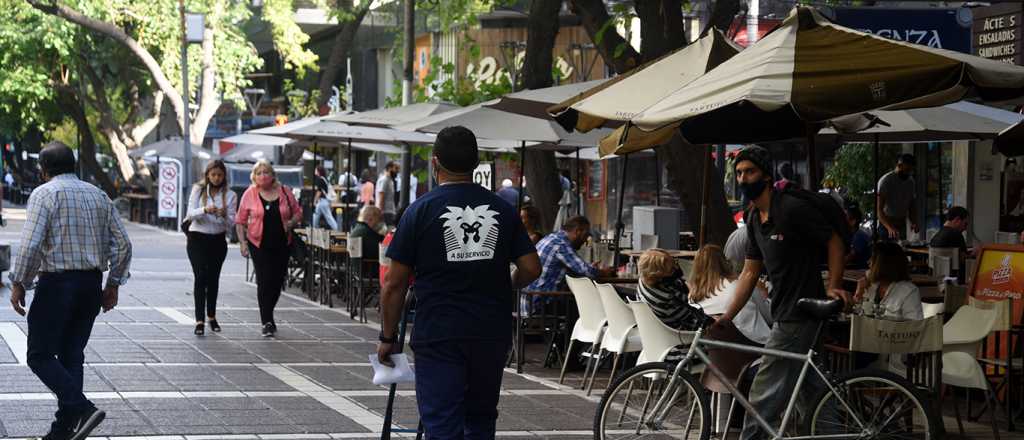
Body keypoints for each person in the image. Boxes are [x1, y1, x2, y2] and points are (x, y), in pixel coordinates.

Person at [376, 126, 541, 439]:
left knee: (441, 424)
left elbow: (393, 284)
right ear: (475, 164)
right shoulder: (504, 210)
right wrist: (510, 283)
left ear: (435, 163)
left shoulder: (419, 211)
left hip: (439, 333)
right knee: (480, 420)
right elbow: (532, 267)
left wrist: (387, 336)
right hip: (490, 333)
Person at [718, 145, 849, 440]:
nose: (743, 179)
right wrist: (727, 316)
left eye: (749, 172)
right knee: (811, 390)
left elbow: (834, 241)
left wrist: (834, 285)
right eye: (739, 173)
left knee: (763, 392)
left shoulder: (789, 209)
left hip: (800, 311)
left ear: (765, 174)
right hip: (784, 310)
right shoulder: (753, 219)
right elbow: (750, 272)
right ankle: (835, 434)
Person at [9, 141, 132, 440]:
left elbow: (31, 244)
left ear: (44, 169)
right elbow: (124, 244)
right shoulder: (99, 195)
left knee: (39, 355)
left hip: (57, 284)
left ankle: (81, 408)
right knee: (71, 354)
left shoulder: (44, 194)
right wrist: (113, 283)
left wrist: (19, 282)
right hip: (90, 285)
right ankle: (64, 429)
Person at [235, 159, 302, 338]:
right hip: (259, 244)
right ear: (254, 177)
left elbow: (298, 212)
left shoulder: (285, 192)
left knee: (278, 281)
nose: (263, 176)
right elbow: (240, 221)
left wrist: (291, 222)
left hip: (282, 243)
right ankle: (267, 321)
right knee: (264, 281)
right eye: (259, 173)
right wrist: (242, 242)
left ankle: (268, 312)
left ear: (273, 175)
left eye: (266, 172)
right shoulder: (249, 194)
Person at [185, 160, 237, 336]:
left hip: (217, 240)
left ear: (224, 176)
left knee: (213, 279)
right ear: (207, 175)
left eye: (220, 175)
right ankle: (199, 320)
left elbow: (232, 224)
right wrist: (204, 210)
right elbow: (190, 214)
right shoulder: (198, 190)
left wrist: (224, 215)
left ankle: (211, 316)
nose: (216, 178)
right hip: (197, 238)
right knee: (200, 277)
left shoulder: (230, 195)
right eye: (213, 174)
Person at [688, 245, 771, 345]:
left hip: (716, 350)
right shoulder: (743, 287)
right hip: (755, 345)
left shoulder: (692, 296)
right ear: (725, 262)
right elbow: (770, 317)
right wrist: (763, 292)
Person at [526, 216, 616, 293]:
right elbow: (586, 271)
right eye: (586, 235)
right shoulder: (561, 244)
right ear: (578, 231)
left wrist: (590, 267)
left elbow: (578, 268)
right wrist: (604, 272)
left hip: (531, 300)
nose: (585, 240)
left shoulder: (552, 238)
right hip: (540, 305)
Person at [855, 242, 923, 321]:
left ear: (882, 264)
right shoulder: (870, 285)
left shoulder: (909, 291)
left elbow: (915, 325)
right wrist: (859, 292)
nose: (868, 262)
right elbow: (857, 316)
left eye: (873, 259)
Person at [877, 154, 919, 241]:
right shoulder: (886, 181)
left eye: (911, 171)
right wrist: (889, 227)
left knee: (901, 250)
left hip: (901, 222)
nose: (908, 173)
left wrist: (914, 222)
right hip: (886, 223)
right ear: (899, 166)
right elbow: (879, 209)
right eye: (907, 170)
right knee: (887, 251)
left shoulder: (910, 182)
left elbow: (911, 205)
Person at [312, 166, 338, 230]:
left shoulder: (320, 179)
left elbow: (319, 191)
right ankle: (315, 229)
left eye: (316, 170)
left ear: (318, 171)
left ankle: (337, 229)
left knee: (328, 217)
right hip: (323, 201)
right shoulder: (324, 179)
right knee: (316, 215)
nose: (315, 171)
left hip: (323, 201)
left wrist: (315, 200)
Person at [845, 205, 872, 269]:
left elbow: (849, 257)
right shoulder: (853, 235)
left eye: (845, 217)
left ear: (853, 221)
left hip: (861, 271)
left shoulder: (859, 236)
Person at [376, 161, 399, 225]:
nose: (397, 171)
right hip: (385, 211)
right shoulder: (384, 180)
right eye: (396, 168)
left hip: (389, 211)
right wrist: (380, 211)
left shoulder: (390, 180)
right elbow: (381, 195)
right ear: (389, 168)